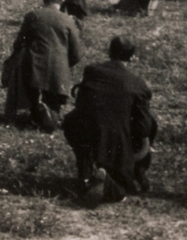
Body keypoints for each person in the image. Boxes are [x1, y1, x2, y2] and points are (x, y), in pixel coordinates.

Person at [61, 36, 157, 206]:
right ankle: (111, 182)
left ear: (109, 52)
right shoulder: (138, 83)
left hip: (83, 132)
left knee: (84, 135)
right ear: (132, 57)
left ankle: (87, 175)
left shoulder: (91, 71)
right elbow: (143, 128)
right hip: (116, 141)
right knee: (122, 190)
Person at [3, 0, 82, 130]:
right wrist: (65, 64)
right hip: (59, 70)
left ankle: (37, 111)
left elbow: (19, 43)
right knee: (53, 109)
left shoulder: (33, 15)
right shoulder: (69, 20)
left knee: (34, 99)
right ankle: (47, 115)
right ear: (62, 1)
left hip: (34, 68)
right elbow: (77, 53)